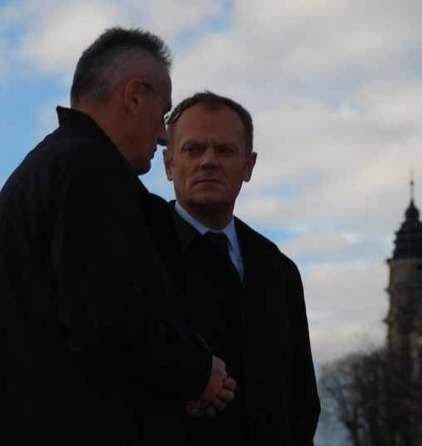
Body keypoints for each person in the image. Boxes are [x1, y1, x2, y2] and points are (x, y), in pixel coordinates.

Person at [0, 28, 233, 445]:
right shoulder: (90, 170)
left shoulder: (46, 168)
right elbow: (107, 324)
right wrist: (198, 373)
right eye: (163, 114)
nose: (164, 135)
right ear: (134, 96)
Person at [160, 91, 320, 444]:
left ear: (248, 166)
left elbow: (301, 398)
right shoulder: (141, 250)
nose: (208, 162)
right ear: (169, 163)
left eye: (224, 150)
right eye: (193, 149)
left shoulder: (278, 270)